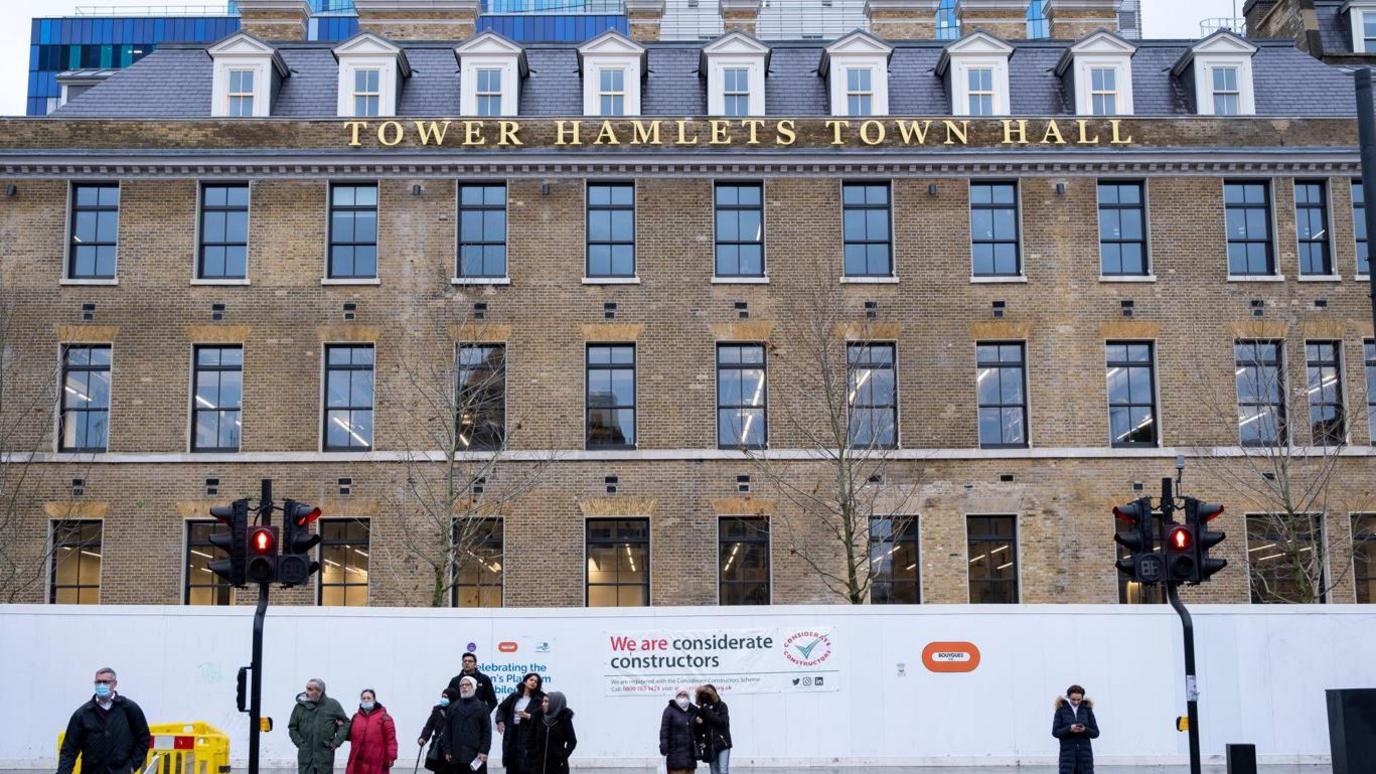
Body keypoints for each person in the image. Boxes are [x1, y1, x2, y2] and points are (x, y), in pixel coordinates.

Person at [57, 667, 151, 774]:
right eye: (98, 682)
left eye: (105, 682)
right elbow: (69, 749)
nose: (101, 685)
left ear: (114, 684)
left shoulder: (129, 709)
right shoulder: (83, 714)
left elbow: (143, 738)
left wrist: (132, 766)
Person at [289, 678, 350, 774]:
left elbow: (346, 723)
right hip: (306, 755)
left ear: (319, 691)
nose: (307, 691)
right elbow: (292, 727)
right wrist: (300, 744)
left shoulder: (332, 705)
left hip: (324, 754)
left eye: (311, 689)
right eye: (307, 688)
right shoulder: (299, 707)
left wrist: (336, 742)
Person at [495, 673, 544, 774]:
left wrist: (529, 716)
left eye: (536, 682)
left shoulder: (539, 699)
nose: (534, 682)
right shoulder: (515, 696)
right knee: (511, 763)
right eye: (531, 680)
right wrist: (500, 721)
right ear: (525, 681)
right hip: (512, 733)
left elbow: (543, 716)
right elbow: (502, 708)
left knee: (525, 765)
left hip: (529, 735)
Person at [443, 676, 492, 773]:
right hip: (456, 756)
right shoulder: (452, 708)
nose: (464, 687)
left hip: (475, 755)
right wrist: (447, 750)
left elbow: (486, 732)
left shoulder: (482, 708)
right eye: (461, 685)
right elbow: (447, 731)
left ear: (473, 687)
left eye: (467, 685)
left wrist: (484, 751)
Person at [346, 689, 398, 774]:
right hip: (357, 762)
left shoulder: (385, 718)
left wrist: (391, 756)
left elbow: (390, 739)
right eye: (364, 698)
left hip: (376, 760)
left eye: (368, 698)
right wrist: (340, 726)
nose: (366, 700)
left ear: (374, 699)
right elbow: (349, 736)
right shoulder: (356, 717)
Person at [1052, 684, 1100, 774]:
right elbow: (1055, 732)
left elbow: (1096, 733)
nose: (1076, 702)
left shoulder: (1087, 709)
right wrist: (1069, 729)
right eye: (1073, 699)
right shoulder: (1061, 710)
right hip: (1067, 756)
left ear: (1082, 697)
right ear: (1068, 697)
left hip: (1085, 757)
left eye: (1079, 699)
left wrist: (1085, 729)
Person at [528, 692, 575, 774]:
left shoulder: (564, 720)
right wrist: (533, 755)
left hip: (557, 767)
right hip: (537, 766)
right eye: (543, 701)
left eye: (546, 702)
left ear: (555, 703)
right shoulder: (537, 717)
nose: (543, 704)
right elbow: (530, 738)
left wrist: (562, 756)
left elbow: (572, 741)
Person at [693, 685, 732, 774]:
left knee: (723, 771)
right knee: (714, 771)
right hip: (710, 745)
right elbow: (700, 730)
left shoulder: (722, 706)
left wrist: (707, 710)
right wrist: (699, 723)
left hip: (723, 743)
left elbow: (722, 723)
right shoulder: (702, 709)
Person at [659, 689, 698, 774]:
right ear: (676, 696)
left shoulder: (693, 710)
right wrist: (664, 746)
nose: (683, 696)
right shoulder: (669, 710)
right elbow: (664, 730)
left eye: (685, 694)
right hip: (675, 756)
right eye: (680, 694)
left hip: (690, 757)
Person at [419, 687, 458, 772]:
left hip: (453, 749)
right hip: (439, 748)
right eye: (443, 697)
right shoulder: (437, 710)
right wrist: (423, 738)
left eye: (446, 697)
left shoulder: (457, 711)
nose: (443, 699)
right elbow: (429, 725)